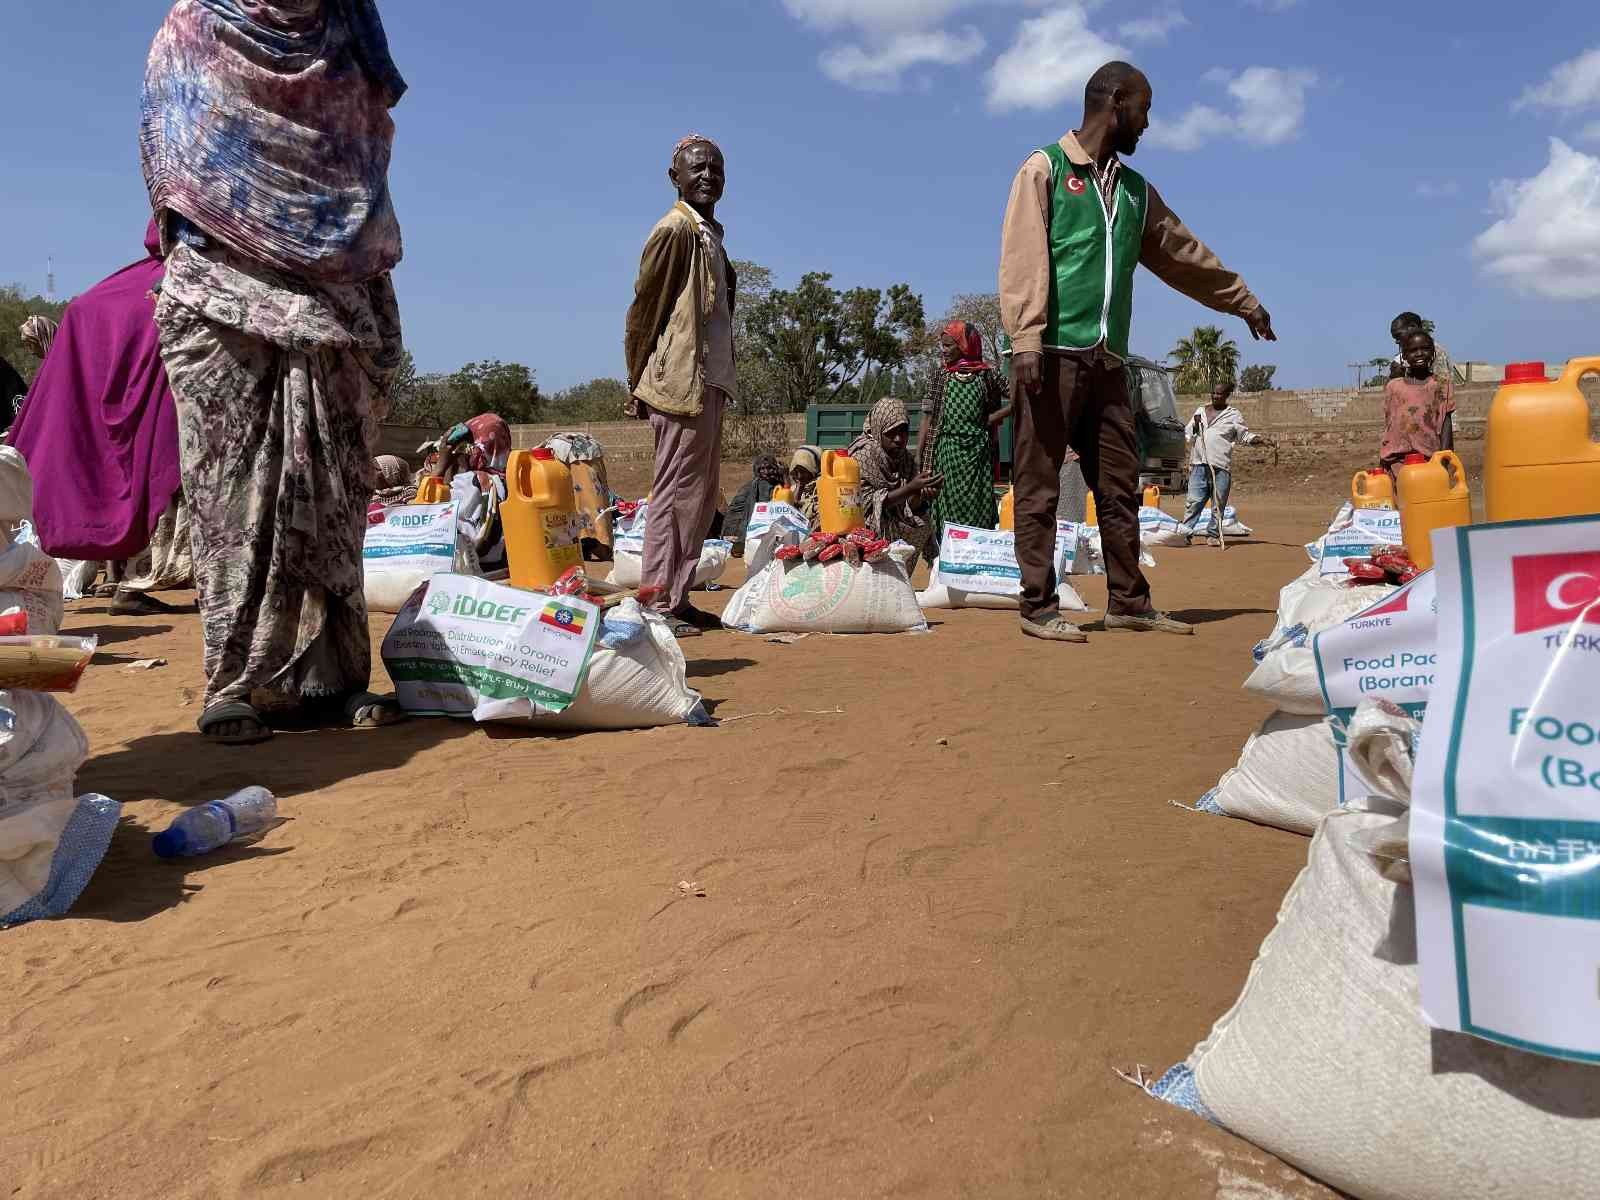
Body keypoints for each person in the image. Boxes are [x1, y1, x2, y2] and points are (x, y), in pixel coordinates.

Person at [142, 0, 409, 744]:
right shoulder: (195, 26)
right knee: (234, 495)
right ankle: (233, 683)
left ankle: (332, 676)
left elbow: (361, 161)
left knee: (332, 489)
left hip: (333, 287)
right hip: (223, 289)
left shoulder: (348, 31)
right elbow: (171, 160)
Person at [999, 60, 1276, 644]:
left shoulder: (1132, 192)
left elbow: (1182, 254)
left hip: (1108, 363)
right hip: (1050, 353)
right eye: (1144, 109)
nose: (1148, 123)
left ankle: (1128, 601)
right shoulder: (1044, 169)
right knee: (1039, 484)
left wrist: (1241, 301)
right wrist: (1026, 338)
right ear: (1116, 101)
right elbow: (1023, 256)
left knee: (1120, 486)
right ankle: (1038, 606)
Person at [7, 224, 189, 616]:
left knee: (138, 489)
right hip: (165, 420)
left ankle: (132, 584)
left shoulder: (112, 292)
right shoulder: (179, 282)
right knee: (160, 488)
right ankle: (136, 585)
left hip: (120, 424)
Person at [623, 135, 737, 639]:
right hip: (678, 380)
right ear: (675, 178)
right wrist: (636, 374)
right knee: (673, 495)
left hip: (708, 378)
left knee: (700, 495)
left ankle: (679, 595)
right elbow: (645, 307)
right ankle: (656, 602)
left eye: (716, 168)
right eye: (697, 168)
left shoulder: (710, 232)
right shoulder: (674, 230)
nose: (708, 175)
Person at [920, 320, 1009, 558]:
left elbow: (1019, 396)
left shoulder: (987, 375)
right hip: (946, 454)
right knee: (946, 510)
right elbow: (928, 421)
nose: (944, 350)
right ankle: (945, 562)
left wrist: (991, 419)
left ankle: (977, 561)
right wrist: (922, 464)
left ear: (964, 346)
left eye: (949, 345)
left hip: (978, 457)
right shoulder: (939, 377)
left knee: (978, 507)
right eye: (942, 345)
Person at [1179, 381, 1273, 544]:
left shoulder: (1233, 415)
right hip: (1199, 464)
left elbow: (1243, 436)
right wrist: (1195, 429)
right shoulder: (1200, 411)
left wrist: (1260, 440)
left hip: (1221, 466)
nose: (1215, 396)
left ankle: (1213, 535)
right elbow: (1188, 434)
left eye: (1219, 394)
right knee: (1193, 502)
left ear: (1227, 396)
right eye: (1213, 393)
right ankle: (1185, 534)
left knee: (1218, 503)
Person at [847, 396, 942, 554]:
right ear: (878, 430)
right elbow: (866, 505)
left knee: (922, 521)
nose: (899, 439)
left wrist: (921, 493)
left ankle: (899, 575)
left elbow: (908, 506)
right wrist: (911, 488)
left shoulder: (906, 460)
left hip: (893, 524)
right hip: (862, 525)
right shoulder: (863, 455)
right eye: (891, 433)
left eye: (903, 431)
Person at [1381, 329, 1455, 477]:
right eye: (1413, 350)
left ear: (1433, 352)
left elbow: (1446, 423)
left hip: (1429, 459)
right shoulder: (1393, 387)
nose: (1419, 353)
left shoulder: (1441, 385)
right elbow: (1390, 423)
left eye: (1425, 349)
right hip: (1396, 460)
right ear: (1405, 355)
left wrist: (1444, 460)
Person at [724, 454, 783, 555]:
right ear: (757, 470)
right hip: (739, 533)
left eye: (769, 468)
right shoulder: (762, 485)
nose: (766, 472)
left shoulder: (772, 483)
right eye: (762, 469)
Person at [788, 445, 823, 527]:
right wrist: (799, 487)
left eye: (804, 471)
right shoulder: (793, 489)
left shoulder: (823, 487)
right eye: (796, 471)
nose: (799, 476)